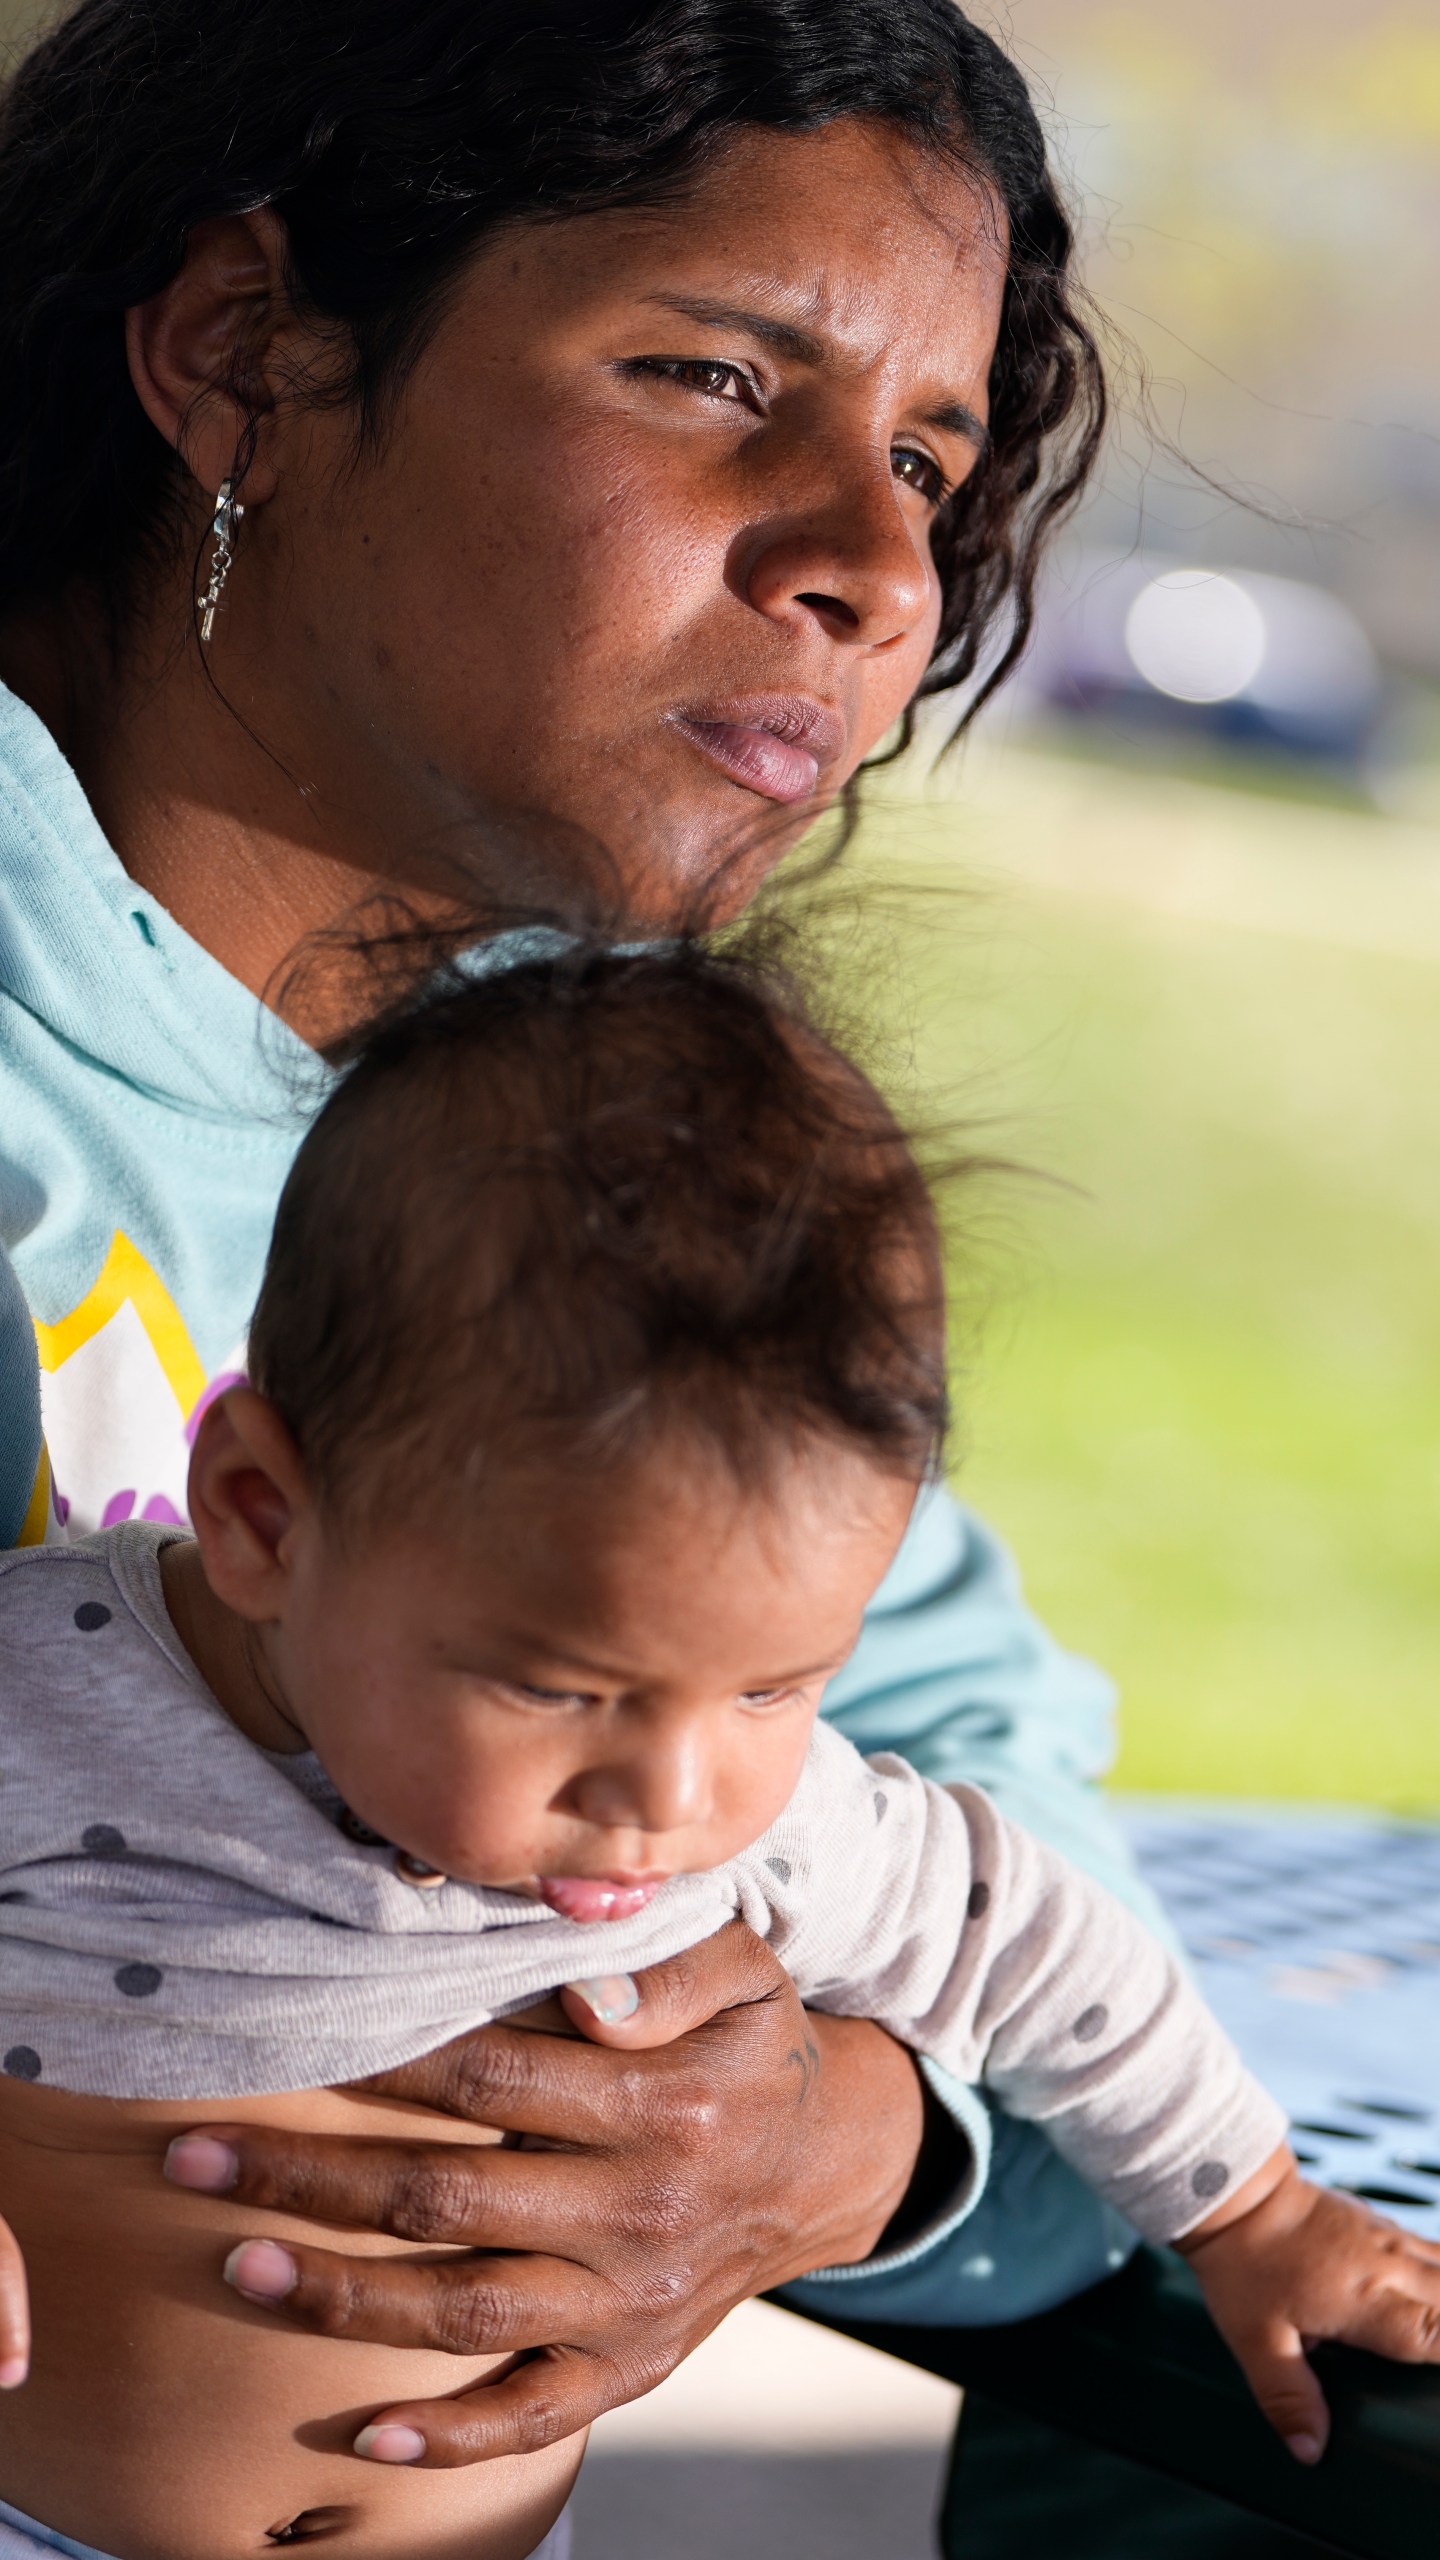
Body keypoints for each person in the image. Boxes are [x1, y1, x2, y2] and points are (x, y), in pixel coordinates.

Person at [0, 0, 1162, 2469]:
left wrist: (855, 2138)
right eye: (720, 379)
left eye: (931, 457)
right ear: (244, 358)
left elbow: (989, 1796)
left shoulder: (598, 1151)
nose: (875, 564)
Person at [3, 932, 1436, 2560]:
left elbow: (1037, 1946)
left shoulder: (763, 1819)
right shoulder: (52, 1690)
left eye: (776, 1688)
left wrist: (1250, 2210)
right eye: (561, 1688)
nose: (669, 1801)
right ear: (262, 1517)